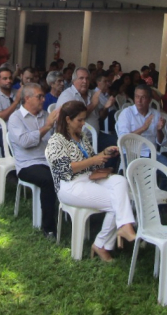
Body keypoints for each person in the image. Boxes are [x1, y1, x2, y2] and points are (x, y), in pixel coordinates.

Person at [46, 101, 136, 262]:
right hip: (70, 185)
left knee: (120, 181)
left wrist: (105, 153)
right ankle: (103, 243)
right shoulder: (56, 140)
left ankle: (123, 226)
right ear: (68, 120)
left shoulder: (81, 137)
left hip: (89, 177)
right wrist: (93, 160)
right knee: (118, 201)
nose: (83, 123)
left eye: (84, 119)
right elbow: (64, 170)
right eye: (79, 120)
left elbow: (92, 160)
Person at [8, 84, 61, 239]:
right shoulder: (16, 118)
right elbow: (25, 142)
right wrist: (47, 126)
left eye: (43, 96)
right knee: (48, 180)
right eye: (40, 97)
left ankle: (69, 216)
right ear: (27, 98)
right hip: (27, 164)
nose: (43, 99)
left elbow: (55, 139)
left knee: (69, 171)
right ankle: (48, 228)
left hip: (48, 161)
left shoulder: (45, 115)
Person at [116, 84, 167, 181]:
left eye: (143, 97)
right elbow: (123, 139)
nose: (139, 101)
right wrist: (143, 128)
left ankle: (160, 190)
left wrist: (159, 130)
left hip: (151, 153)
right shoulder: (126, 113)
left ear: (149, 99)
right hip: (132, 153)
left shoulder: (155, 114)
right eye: (137, 97)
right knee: (133, 177)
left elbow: (161, 142)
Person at [57, 67, 117, 151]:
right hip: (77, 140)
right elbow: (72, 118)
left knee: (118, 144)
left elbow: (101, 116)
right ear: (74, 81)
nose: (85, 81)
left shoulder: (92, 93)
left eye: (87, 78)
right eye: (81, 78)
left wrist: (106, 107)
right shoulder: (67, 95)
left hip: (96, 136)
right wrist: (93, 104)